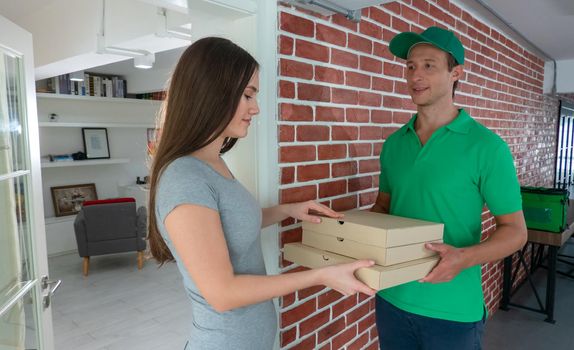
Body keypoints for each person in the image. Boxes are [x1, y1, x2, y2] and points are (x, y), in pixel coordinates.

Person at [147, 37, 376, 350]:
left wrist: (288, 210)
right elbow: (222, 293)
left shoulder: (213, 163)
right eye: (247, 95)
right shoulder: (184, 178)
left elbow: (228, 225)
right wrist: (321, 275)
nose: (255, 108)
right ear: (212, 93)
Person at [370, 26, 527, 349]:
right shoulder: (394, 145)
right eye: (411, 66)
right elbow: (384, 209)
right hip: (391, 299)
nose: (416, 75)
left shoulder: (487, 147)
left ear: (456, 73)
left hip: (452, 311)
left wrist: (464, 258)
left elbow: (515, 231)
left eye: (429, 65)